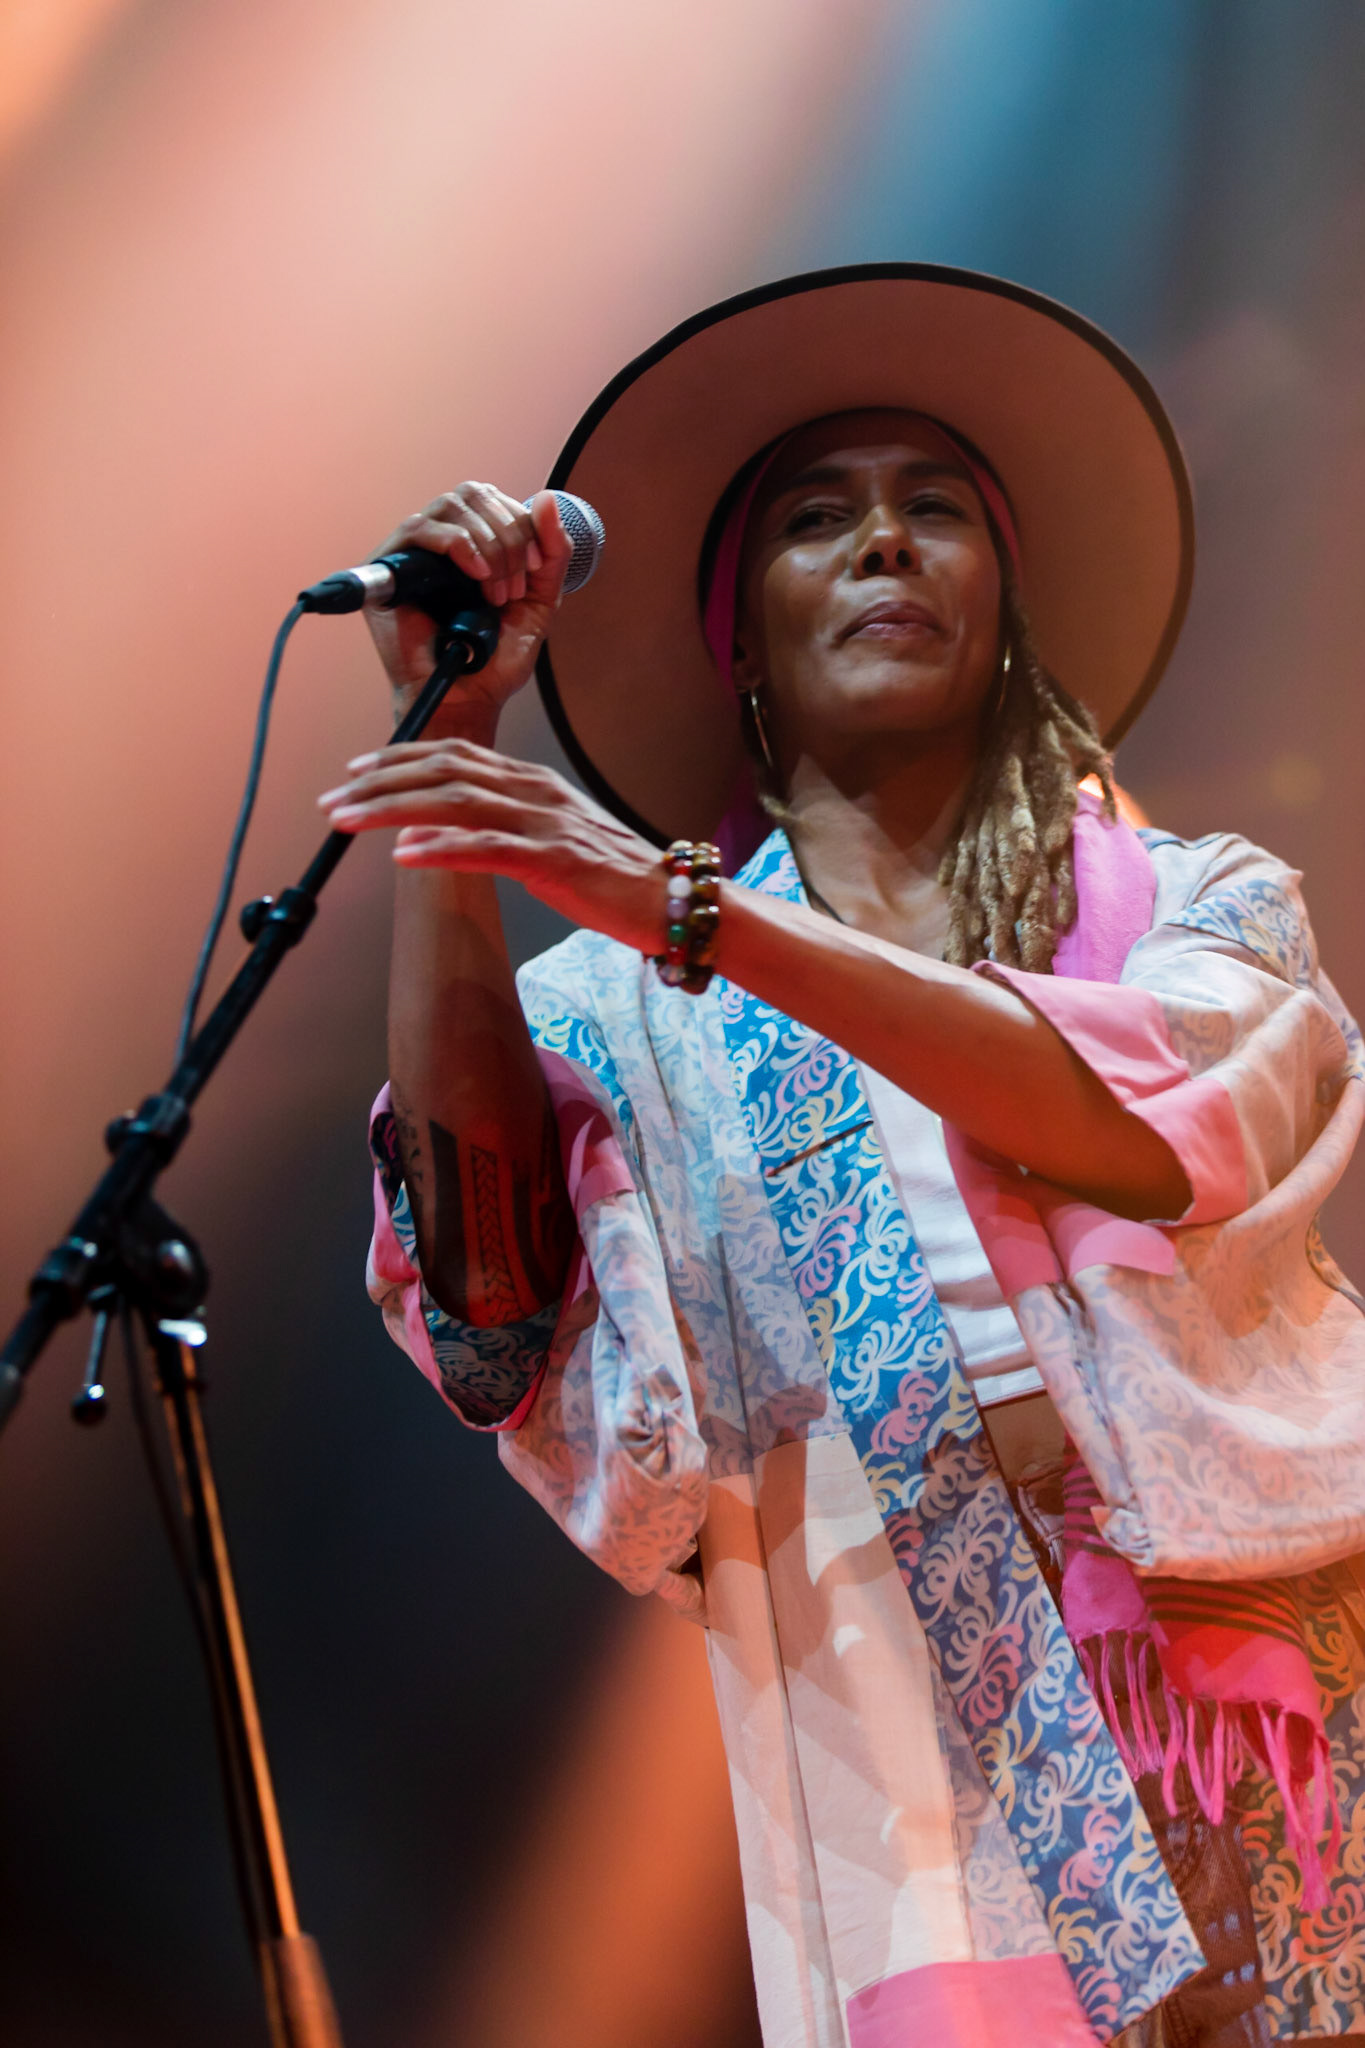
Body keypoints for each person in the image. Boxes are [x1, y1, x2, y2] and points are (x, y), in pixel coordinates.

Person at [320, 267, 1365, 2048]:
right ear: (742, 634)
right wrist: (453, 737)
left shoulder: (1201, 902)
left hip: (1276, 1689)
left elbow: (1127, 1129)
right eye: (819, 521)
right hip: (903, 1740)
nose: (882, 543)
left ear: (1003, 600)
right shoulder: (628, 1006)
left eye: (931, 509)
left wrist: (692, 913)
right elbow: (492, 1305)